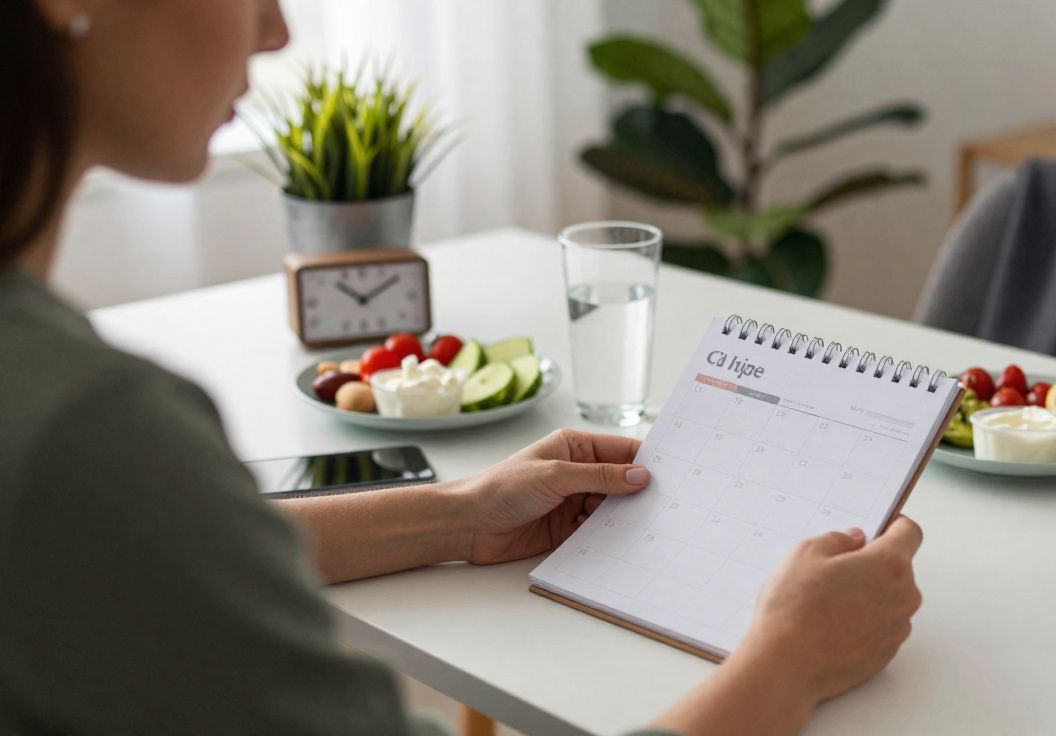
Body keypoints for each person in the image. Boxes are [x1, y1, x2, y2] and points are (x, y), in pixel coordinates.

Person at [0, 1, 925, 734]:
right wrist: (790, 662)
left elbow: (138, 562)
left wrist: (452, 516)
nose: (277, 27)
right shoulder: (86, 431)